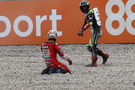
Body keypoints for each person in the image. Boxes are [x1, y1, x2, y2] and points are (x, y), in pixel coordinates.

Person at [77, 0, 109, 67]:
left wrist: (82, 30)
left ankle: (94, 62)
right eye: (82, 7)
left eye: (85, 7)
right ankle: (104, 56)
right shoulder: (88, 13)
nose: (84, 8)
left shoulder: (90, 12)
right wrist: (82, 30)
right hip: (94, 32)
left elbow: (89, 23)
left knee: (93, 45)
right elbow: (85, 23)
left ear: (88, 6)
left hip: (96, 31)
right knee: (89, 47)